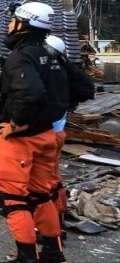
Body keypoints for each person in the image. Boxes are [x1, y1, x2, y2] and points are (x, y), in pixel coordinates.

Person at [0, 2, 69, 263]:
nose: (9, 25)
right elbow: (79, 87)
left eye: (12, 20)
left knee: (14, 198)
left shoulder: (21, 57)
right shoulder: (52, 55)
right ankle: (53, 254)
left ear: (24, 24)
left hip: (22, 139)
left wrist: (16, 123)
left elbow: (32, 94)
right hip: (47, 134)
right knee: (42, 194)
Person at [43, 35, 95, 243]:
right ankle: (58, 223)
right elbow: (86, 90)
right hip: (58, 132)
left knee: (41, 185)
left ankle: (49, 232)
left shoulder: (51, 73)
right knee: (53, 180)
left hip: (44, 134)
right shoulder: (68, 71)